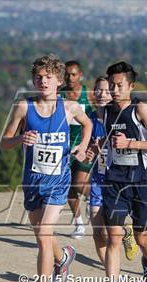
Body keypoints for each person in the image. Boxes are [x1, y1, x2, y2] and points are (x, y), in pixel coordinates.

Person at [0, 54, 92, 282]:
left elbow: (88, 125)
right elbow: (5, 142)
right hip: (32, 181)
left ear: (59, 81)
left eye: (49, 77)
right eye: (39, 77)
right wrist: (20, 140)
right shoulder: (23, 107)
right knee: (42, 233)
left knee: (42, 234)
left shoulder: (69, 107)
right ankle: (63, 257)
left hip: (58, 181)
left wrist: (82, 148)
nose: (43, 81)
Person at [95, 62, 147, 282]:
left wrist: (131, 144)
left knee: (141, 235)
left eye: (119, 85)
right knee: (114, 236)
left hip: (142, 181)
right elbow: (108, 140)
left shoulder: (140, 109)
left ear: (131, 86)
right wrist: (97, 146)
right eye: (111, 85)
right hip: (115, 181)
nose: (114, 90)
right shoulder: (105, 112)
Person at [86, 76, 139, 282]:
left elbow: (125, 149)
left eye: (106, 91)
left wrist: (104, 150)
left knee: (111, 234)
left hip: (116, 181)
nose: (101, 95)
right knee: (98, 235)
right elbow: (89, 147)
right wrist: (88, 152)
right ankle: (114, 277)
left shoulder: (118, 117)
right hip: (97, 180)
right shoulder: (88, 117)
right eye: (98, 91)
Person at [60, 60, 95, 239]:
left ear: (80, 75)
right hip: (64, 147)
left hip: (84, 145)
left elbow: (99, 114)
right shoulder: (59, 95)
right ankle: (79, 224)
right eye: (67, 74)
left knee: (79, 182)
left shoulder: (88, 94)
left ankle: (95, 198)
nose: (70, 77)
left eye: (73, 74)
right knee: (68, 187)